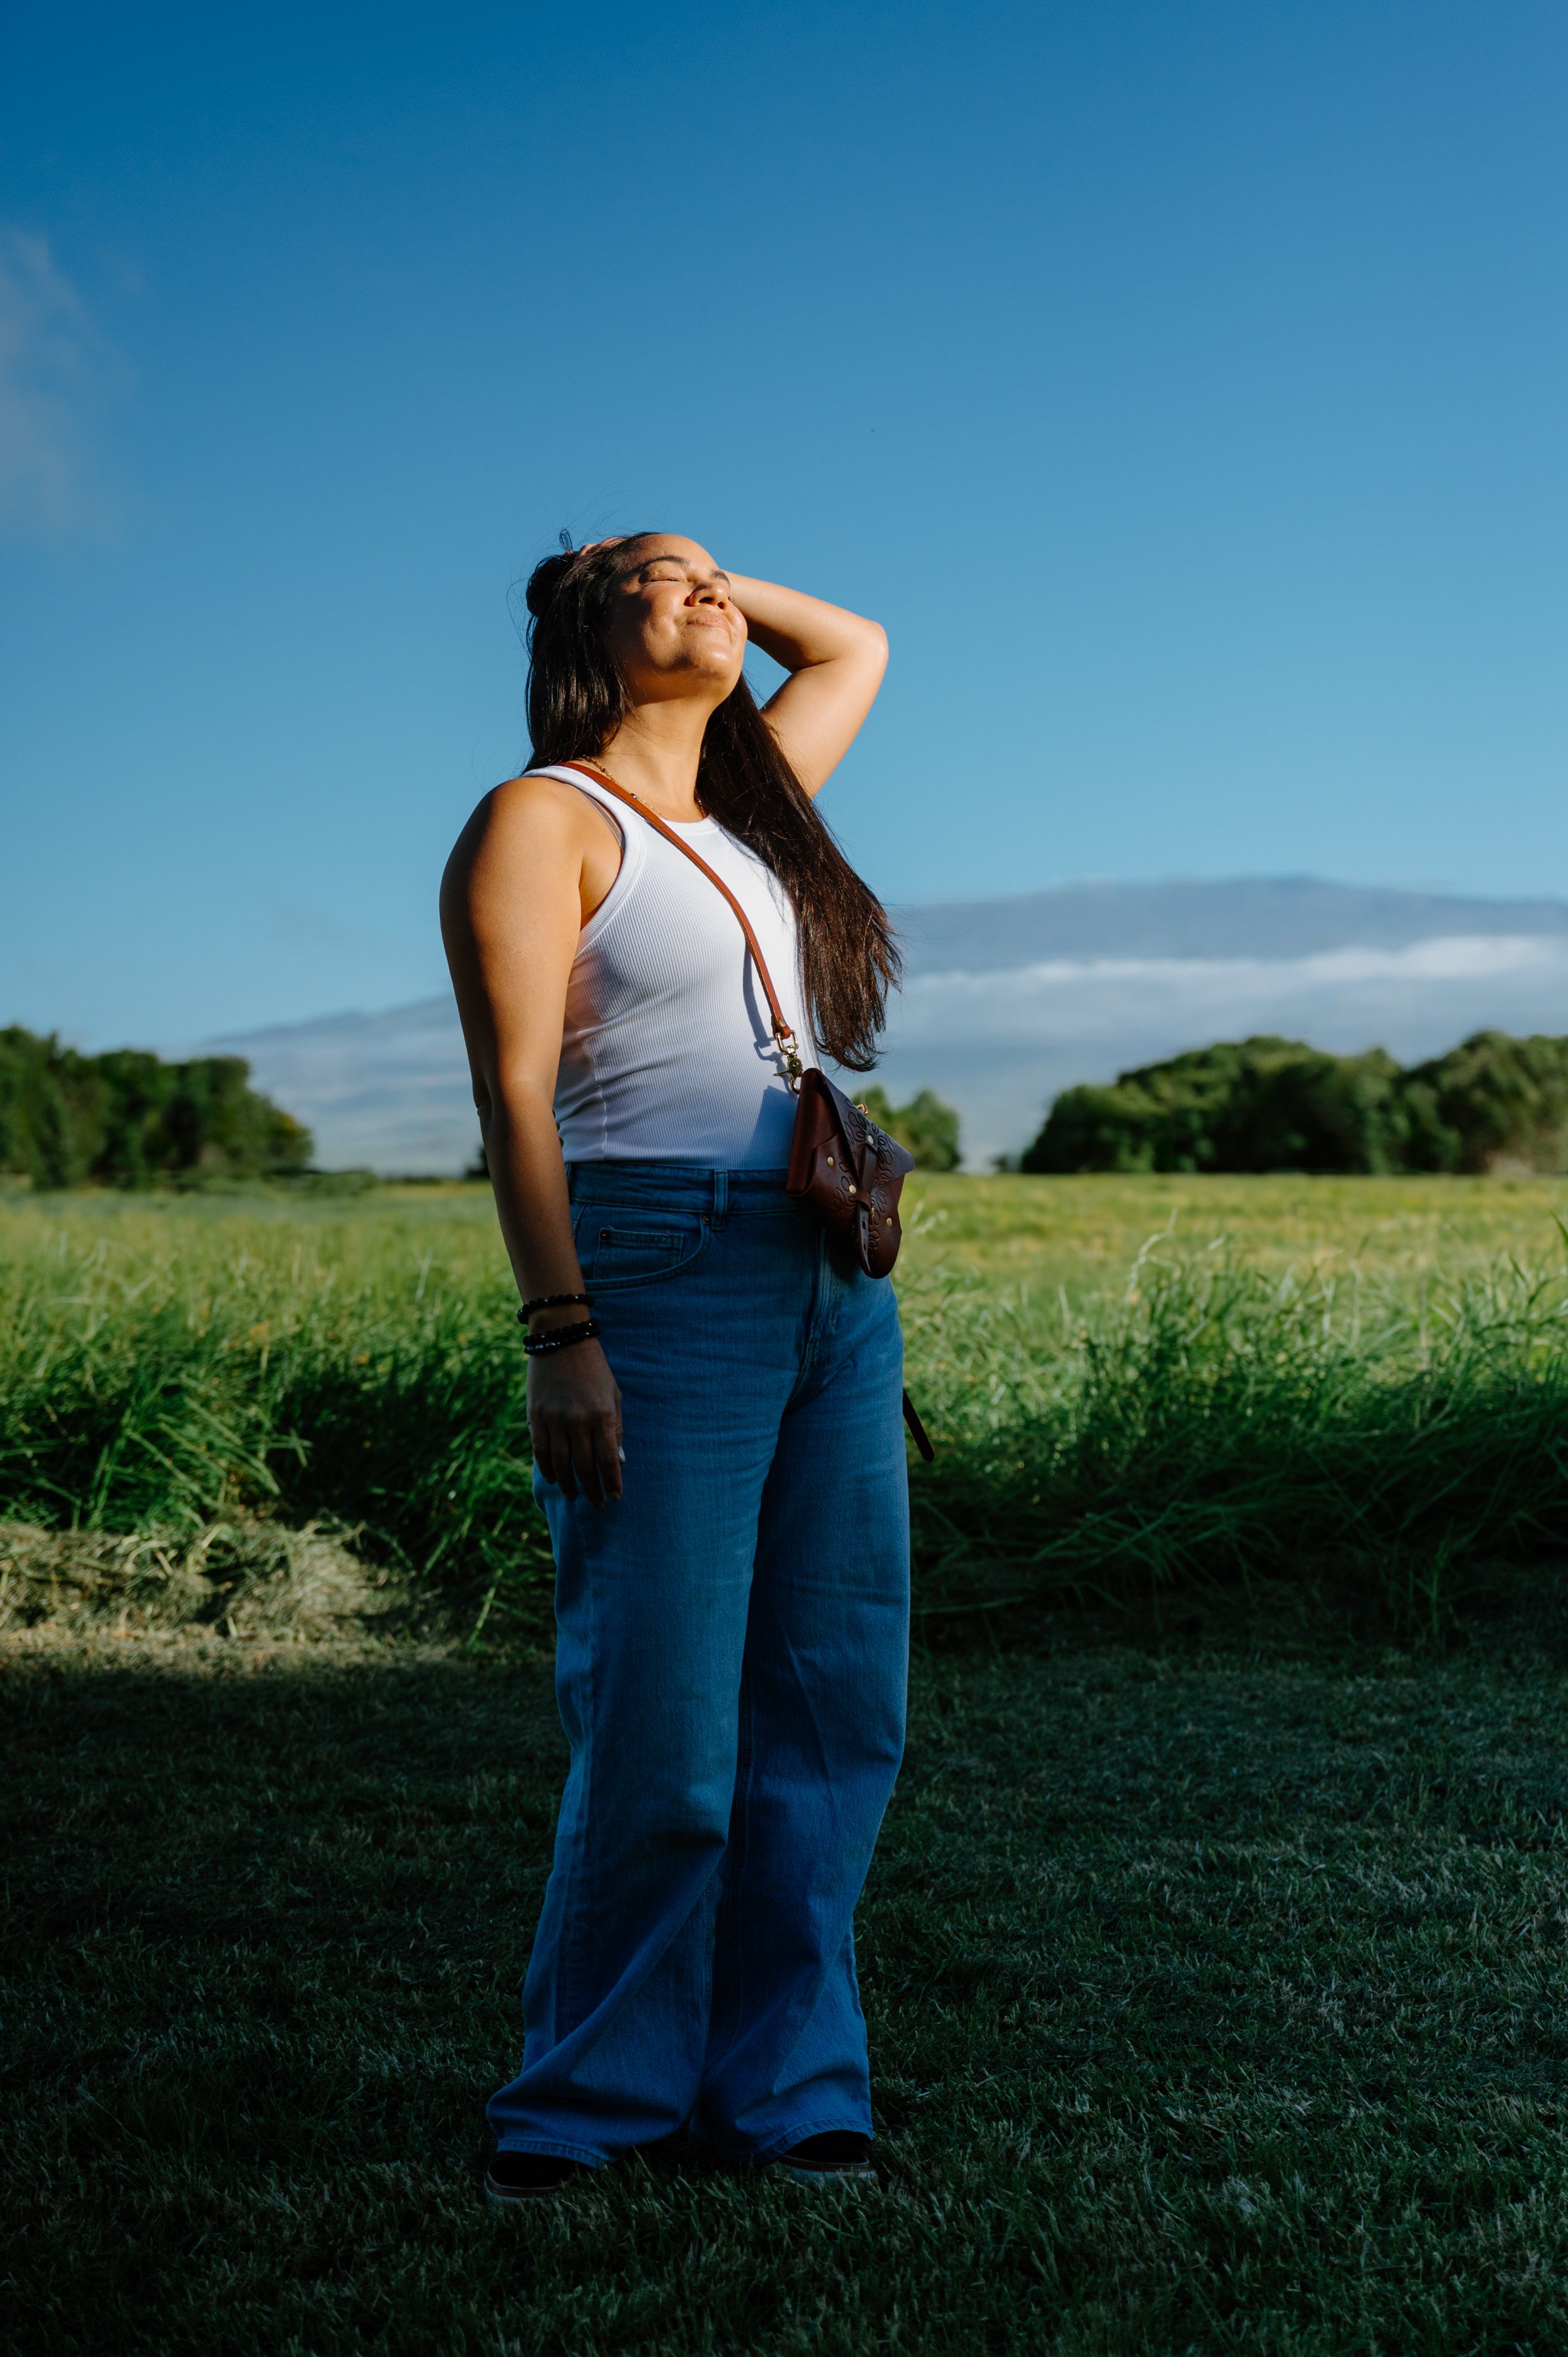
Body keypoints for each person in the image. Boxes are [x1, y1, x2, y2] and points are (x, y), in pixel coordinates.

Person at [441, 534, 908, 2203]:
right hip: (654, 1264)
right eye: (661, 581)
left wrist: (693, 563)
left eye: (718, 578)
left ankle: (790, 2092)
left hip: (829, 1275)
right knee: (661, 1722)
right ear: (583, 627)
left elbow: (851, 641)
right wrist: (559, 1332)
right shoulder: (541, 817)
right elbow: (512, 1101)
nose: (710, 595)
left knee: (833, 1703)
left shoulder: (754, 805)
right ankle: (584, 2109)